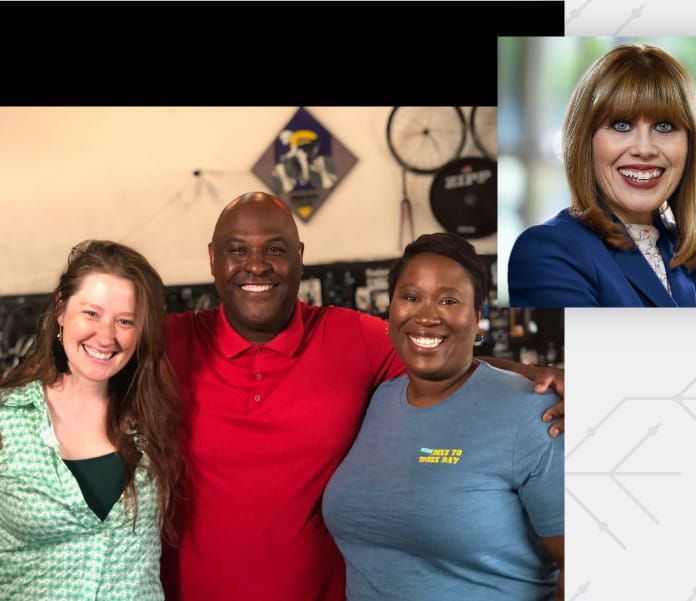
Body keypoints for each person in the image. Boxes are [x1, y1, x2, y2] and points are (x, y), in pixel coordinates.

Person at [160, 191, 565, 601]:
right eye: (237, 250)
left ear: (300, 256)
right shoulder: (167, 343)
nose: (256, 264)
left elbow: (438, 350)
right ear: (213, 258)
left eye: (275, 249)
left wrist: (538, 377)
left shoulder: (351, 336)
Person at [322, 232, 564, 601]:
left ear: (478, 317)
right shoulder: (375, 399)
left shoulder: (532, 412)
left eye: (448, 300)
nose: (426, 315)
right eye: (410, 297)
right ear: (391, 310)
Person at [0, 240, 183, 601]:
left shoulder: (152, 420)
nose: (106, 336)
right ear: (61, 310)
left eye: (125, 321)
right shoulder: (7, 419)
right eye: (92, 313)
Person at [508, 43, 696, 308]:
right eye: (621, 125)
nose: (644, 149)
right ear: (586, 142)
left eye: (664, 126)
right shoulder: (548, 252)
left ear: (690, 145)